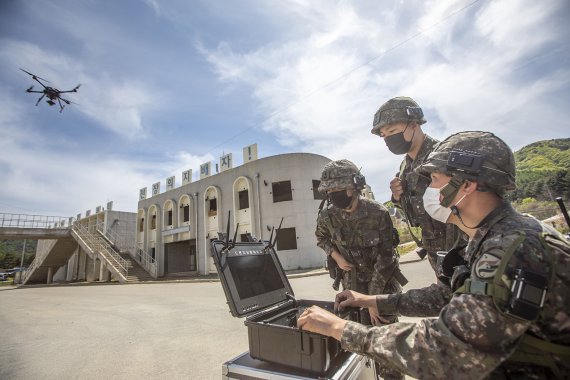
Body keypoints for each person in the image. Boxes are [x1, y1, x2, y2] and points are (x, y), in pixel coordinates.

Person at [299, 132, 570, 379]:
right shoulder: (489, 237)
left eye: (435, 179)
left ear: (467, 185)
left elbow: (444, 351)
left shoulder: (513, 250)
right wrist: (374, 300)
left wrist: (339, 329)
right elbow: (445, 296)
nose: (429, 189)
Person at [316, 159, 406, 380]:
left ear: (354, 186)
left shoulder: (378, 212)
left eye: (336, 189)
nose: (332, 195)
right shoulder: (328, 215)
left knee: (386, 344)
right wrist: (336, 257)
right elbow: (321, 237)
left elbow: (386, 260)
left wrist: (372, 300)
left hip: (381, 285)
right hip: (351, 284)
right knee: (356, 344)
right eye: (328, 191)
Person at [371, 96, 465, 274]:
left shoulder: (444, 155)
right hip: (435, 250)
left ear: (414, 124)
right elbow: (417, 208)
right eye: (384, 135)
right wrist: (398, 198)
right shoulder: (405, 167)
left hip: (460, 250)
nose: (388, 139)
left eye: (393, 131)